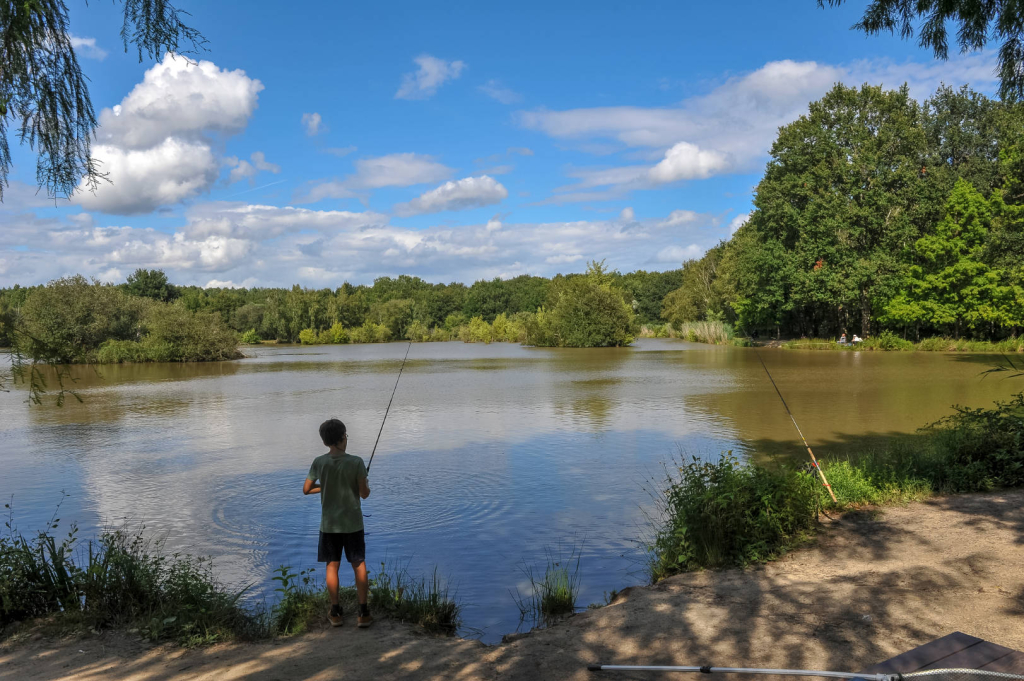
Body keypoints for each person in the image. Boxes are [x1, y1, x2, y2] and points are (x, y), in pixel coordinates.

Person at [304, 418, 372, 628]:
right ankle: (363, 613)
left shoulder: (319, 462)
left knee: (332, 566)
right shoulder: (356, 462)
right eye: (346, 436)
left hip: (329, 525)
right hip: (352, 524)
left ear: (325, 442)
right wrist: (364, 481)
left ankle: (335, 612)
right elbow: (364, 494)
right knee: (358, 564)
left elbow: (307, 489)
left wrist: (326, 487)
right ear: (343, 437)